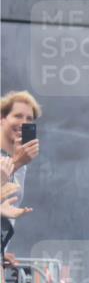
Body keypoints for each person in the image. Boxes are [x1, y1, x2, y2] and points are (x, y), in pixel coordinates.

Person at [0, 91, 41, 257]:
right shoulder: (19, 161)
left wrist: (2, 253)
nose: (24, 123)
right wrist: (17, 163)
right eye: (17, 116)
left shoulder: (21, 163)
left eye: (29, 119)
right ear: (2, 119)